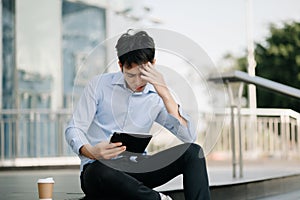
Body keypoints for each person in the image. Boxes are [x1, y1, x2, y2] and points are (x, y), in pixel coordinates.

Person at [65, 29, 211, 200]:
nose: (137, 82)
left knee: (193, 152)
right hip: (100, 170)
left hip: (138, 168)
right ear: (120, 66)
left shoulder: (156, 96)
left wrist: (165, 93)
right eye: (131, 75)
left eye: (143, 74)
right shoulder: (99, 85)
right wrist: (91, 151)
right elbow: (73, 128)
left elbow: (189, 137)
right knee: (100, 171)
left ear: (153, 64)